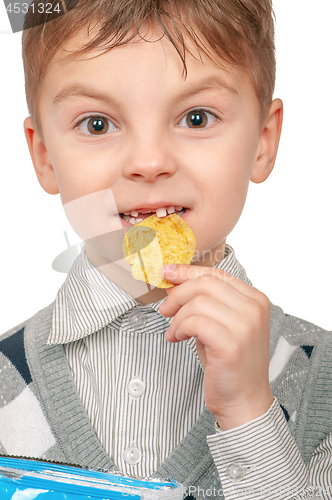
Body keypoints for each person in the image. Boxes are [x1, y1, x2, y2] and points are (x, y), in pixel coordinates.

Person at [0, 0, 331, 498]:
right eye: (97, 124)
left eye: (196, 118)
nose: (149, 162)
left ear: (263, 140)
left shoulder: (320, 380)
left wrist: (251, 414)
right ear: (44, 156)